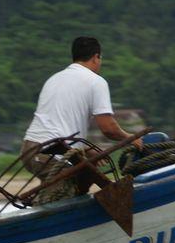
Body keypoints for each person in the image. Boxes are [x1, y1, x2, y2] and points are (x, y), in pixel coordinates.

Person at [21, 37, 142, 200]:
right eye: (100, 59)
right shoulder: (96, 82)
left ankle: (46, 201)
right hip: (51, 153)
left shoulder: (54, 78)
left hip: (30, 148)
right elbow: (108, 128)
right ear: (96, 57)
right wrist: (130, 138)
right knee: (64, 193)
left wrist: (85, 149)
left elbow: (58, 122)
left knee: (82, 178)